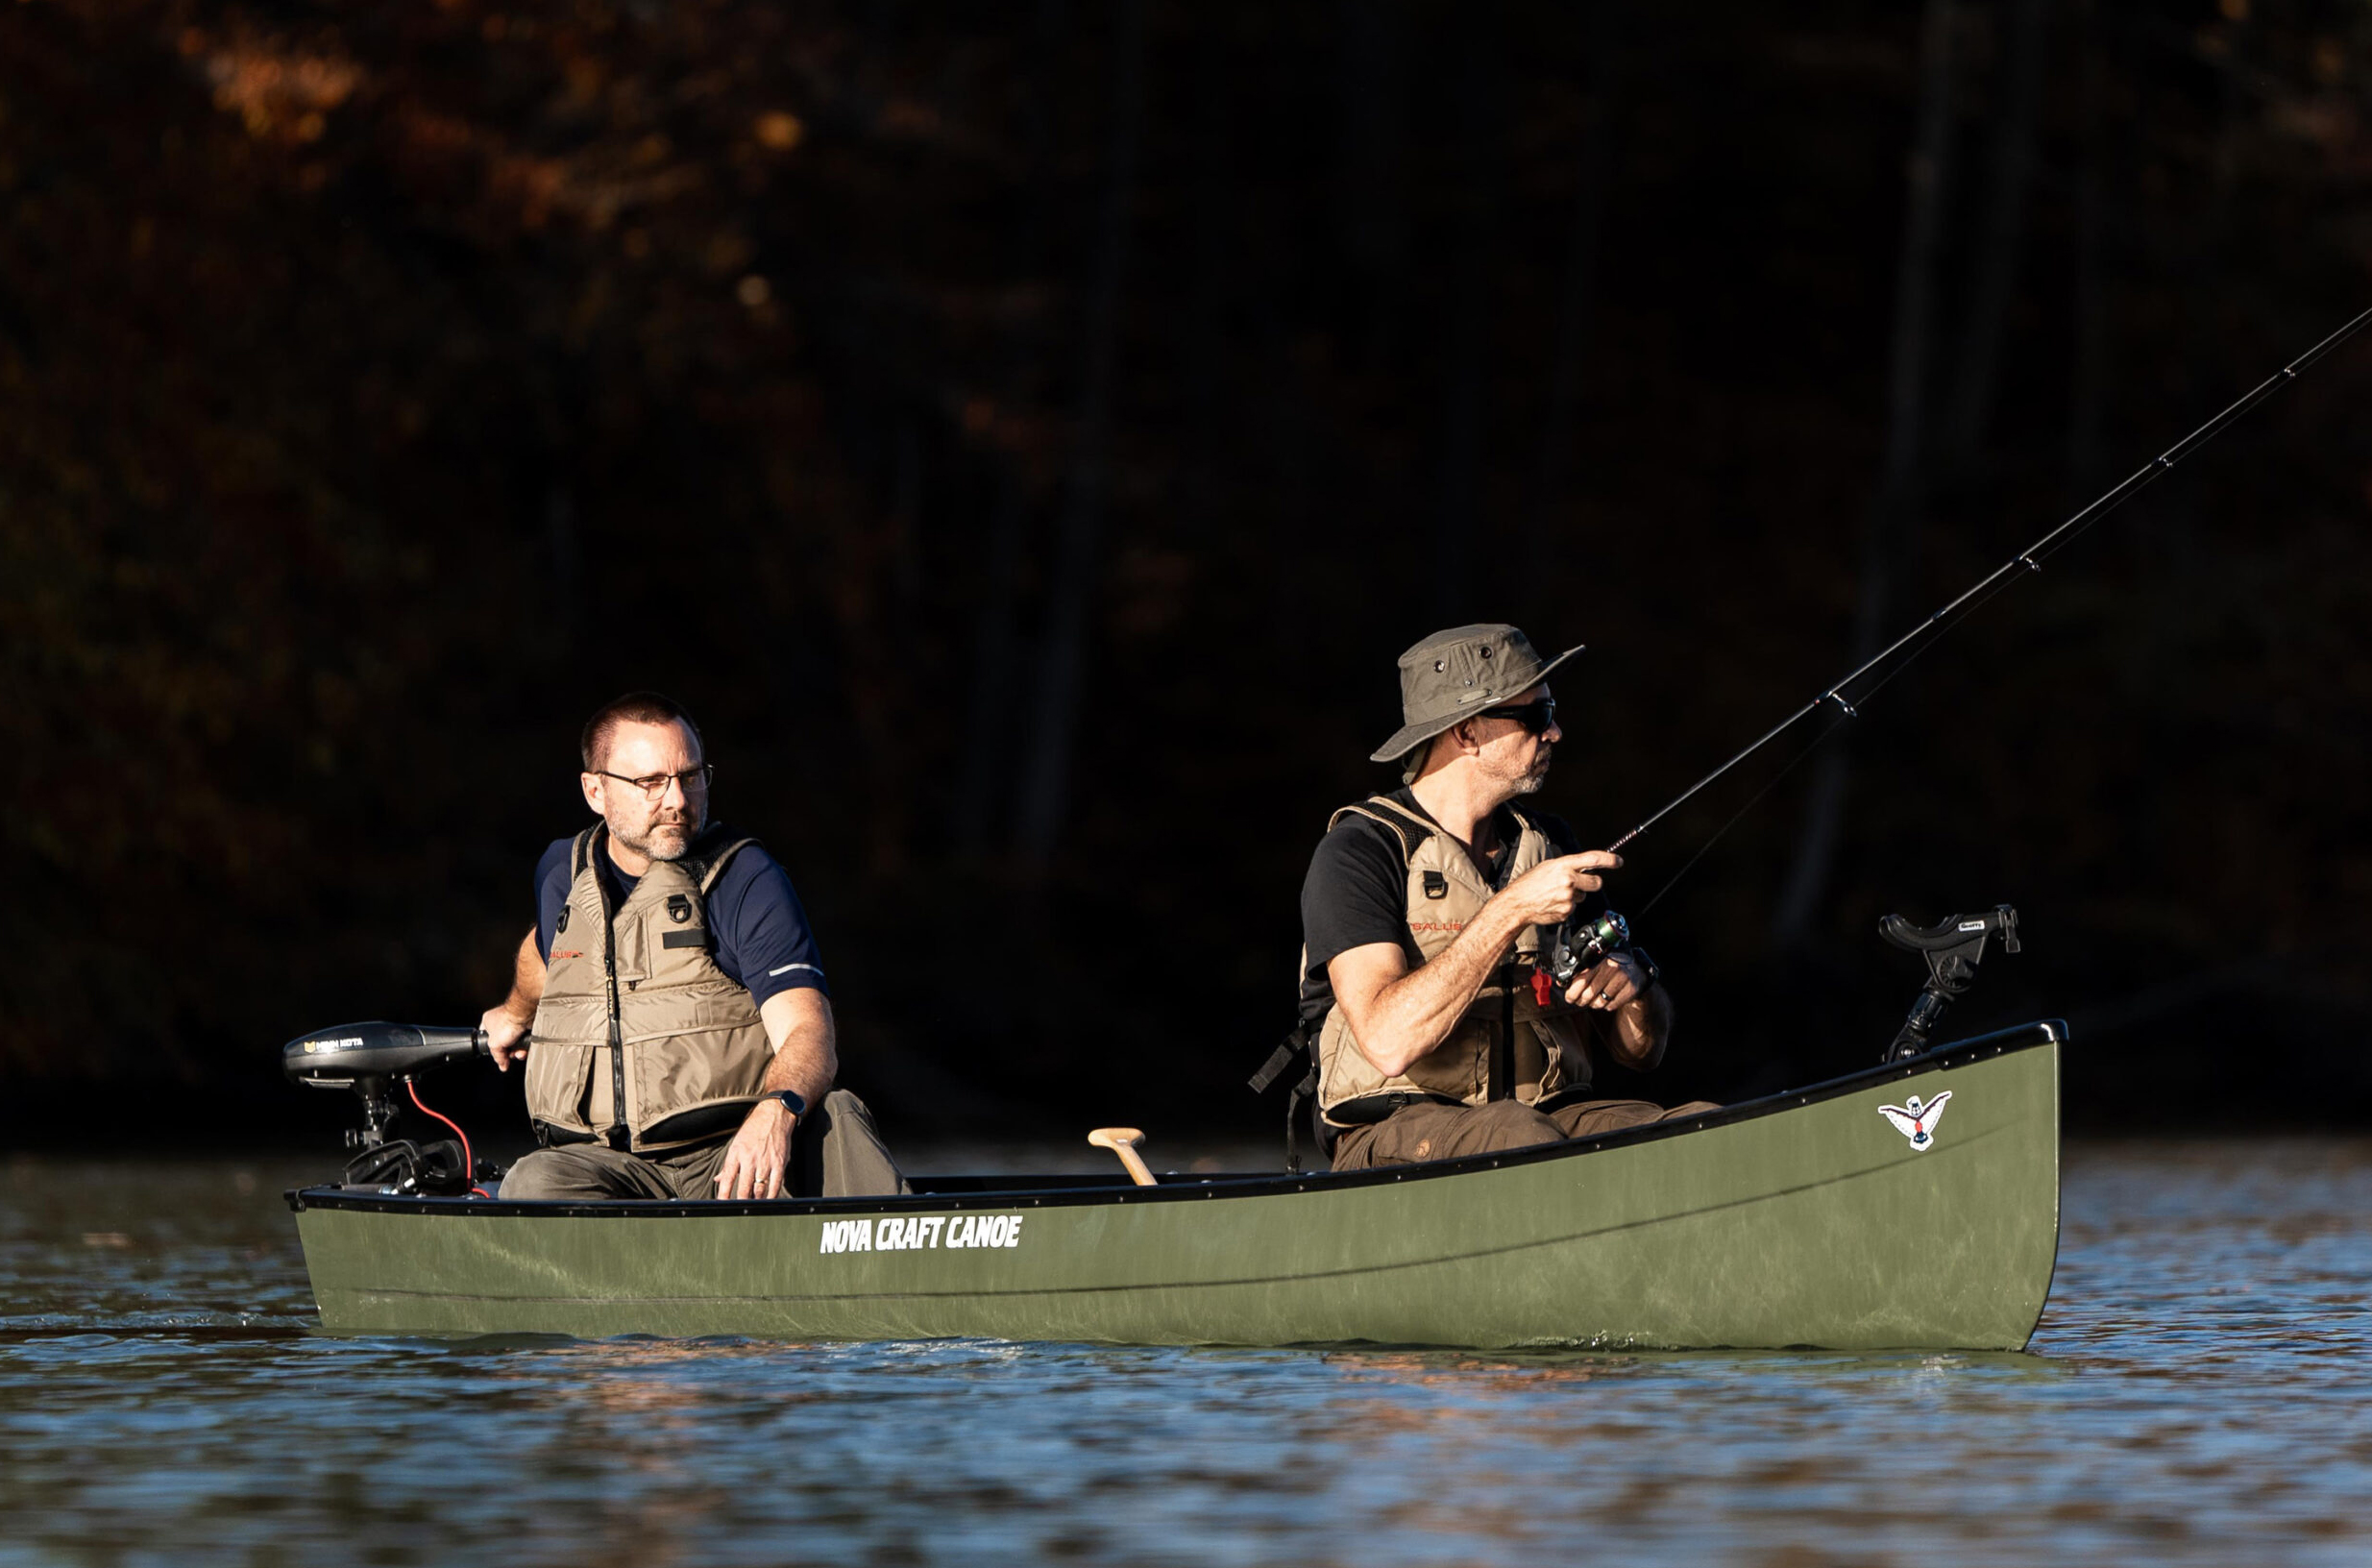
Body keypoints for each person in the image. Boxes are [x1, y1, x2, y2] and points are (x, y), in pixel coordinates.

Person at [1299, 624, 1717, 1171]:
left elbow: (1642, 1052)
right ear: (1468, 733)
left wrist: (1634, 987)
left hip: (1551, 1115)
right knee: (1520, 1134)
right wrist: (1513, 908)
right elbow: (1387, 1041)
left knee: (1707, 1129)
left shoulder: (1548, 845)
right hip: (1397, 1129)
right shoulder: (1359, 851)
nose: (1556, 733)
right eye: (1537, 717)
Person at [478, 692, 904, 1201]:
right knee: (530, 1182)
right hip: (609, 1168)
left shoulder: (744, 878)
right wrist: (514, 1011)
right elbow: (547, 949)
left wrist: (775, 1111)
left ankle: (912, 1268)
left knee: (836, 1117)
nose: (678, 800)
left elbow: (809, 1031)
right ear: (595, 792)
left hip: (733, 1157)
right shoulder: (561, 873)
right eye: (651, 783)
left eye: (691, 776)